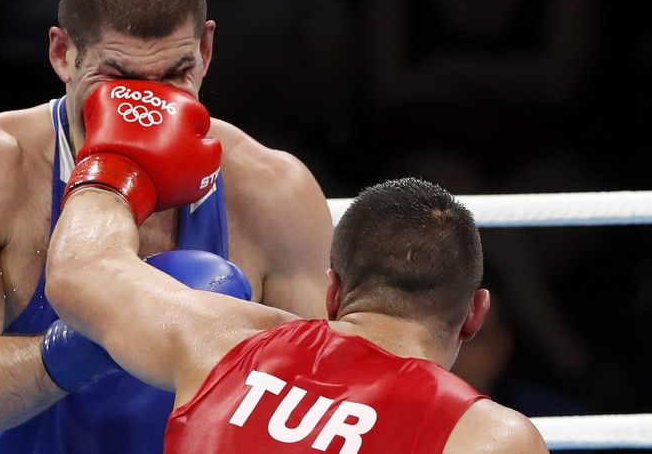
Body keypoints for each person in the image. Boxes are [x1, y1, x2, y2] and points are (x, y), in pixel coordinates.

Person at [0, 0, 333, 452]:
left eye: (175, 73)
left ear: (206, 50)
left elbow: (316, 405)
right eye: (117, 77)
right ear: (63, 54)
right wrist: (94, 341)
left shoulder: (272, 190)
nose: (146, 103)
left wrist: (223, 353)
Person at [47, 172, 550, 453]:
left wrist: (112, 167)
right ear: (475, 315)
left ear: (332, 291)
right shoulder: (489, 439)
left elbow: (80, 269)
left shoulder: (224, 343)